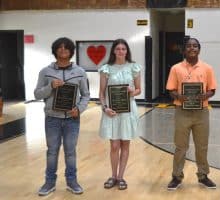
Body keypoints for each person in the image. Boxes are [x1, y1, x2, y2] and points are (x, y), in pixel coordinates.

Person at [34, 37, 90, 196]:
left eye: (66, 48)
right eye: (60, 47)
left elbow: (86, 95)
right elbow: (37, 94)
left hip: (72, 119)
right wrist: (50, 86)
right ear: (55, 50)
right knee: (52, 151)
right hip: (52, 118)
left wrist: (79, 109)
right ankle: (49, 182)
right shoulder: (45, 71)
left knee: (70, 151)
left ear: (71, 51)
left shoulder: (80, 72)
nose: (63, 50)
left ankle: (72, 181)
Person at [166, 37, 217, 190]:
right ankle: (176, 176)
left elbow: (212, 90)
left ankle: (203, 176)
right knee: (180, 146)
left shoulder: (207, 68)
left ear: (199, 49)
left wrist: (205, 96)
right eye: (189, 46)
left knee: (202, 146)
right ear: (184, 49)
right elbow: (171, 90)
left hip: (201, 112)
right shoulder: (176, 68)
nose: (192, 48)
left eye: (195, 46)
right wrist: (178, 96)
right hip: (182, 111)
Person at [98, 39, 141, 190]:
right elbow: (101, 94)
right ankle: (113, 176)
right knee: (114, 145)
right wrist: (105, 108)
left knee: (125, 144)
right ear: (114, 51)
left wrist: (132, 92)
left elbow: (138, 90)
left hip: (128, 111)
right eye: (118, 49)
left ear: (127, 51)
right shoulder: (106, 69)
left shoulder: (134, 67)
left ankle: (121, 177)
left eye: (123, 49)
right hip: (112, 111)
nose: (121, 51)